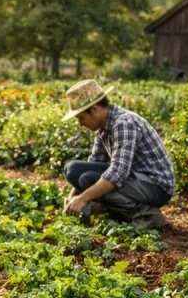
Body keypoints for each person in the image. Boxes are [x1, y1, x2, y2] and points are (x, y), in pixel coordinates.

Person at [61, 79, 175, 229]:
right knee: (73, 170)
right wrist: (72, 197)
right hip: (136, 178)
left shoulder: (123, 123)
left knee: (88, 180)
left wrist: (83, 198)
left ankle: (146, 215)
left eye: (81, 118)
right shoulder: (103, 126)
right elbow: (93, 162)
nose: (80, 124)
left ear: (94, 109)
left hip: (156, 186)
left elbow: (117, 173)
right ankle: (116, 211)